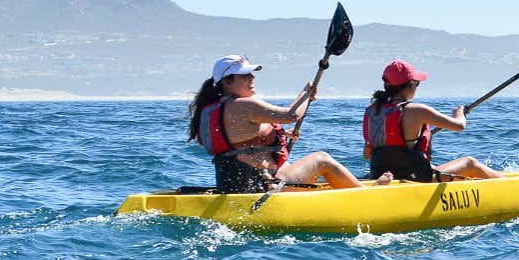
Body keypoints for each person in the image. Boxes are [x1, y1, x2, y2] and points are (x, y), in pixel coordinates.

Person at [187, 55, 366, 193]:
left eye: (251, 74)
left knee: (290, 165)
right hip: (264, 185)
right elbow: (291, 114)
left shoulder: (213, 108)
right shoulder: (243, 104)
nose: (251, 78)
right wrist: (306, 93)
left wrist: (278, 134)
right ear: (226, 82)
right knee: (322, 159)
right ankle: (364, 197)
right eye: (244, 75)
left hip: (235, 184)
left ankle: (353, 188)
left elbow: (241, 139)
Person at [363, 59, 502, 182]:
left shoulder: (372, 111)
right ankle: (512, 189)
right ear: (410, 85)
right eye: (417, 83)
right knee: (470, 163)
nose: (417, 87)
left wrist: (406, 147)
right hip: (417, 178)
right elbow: (460, 126)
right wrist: (460, 113)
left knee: (433, 166)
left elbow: (367, 154)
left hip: (381, 176)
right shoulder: (416, 110)